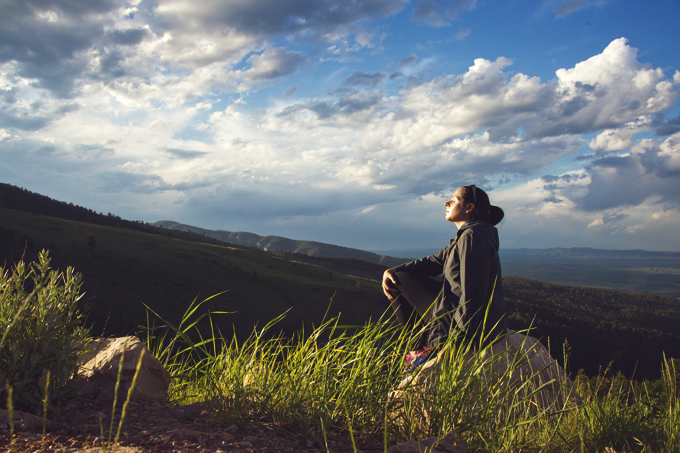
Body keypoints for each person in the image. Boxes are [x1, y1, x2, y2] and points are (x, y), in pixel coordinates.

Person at [382, 185, 507, 367]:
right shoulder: (468, 236)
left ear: (469, 207)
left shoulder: (472, 237)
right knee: (398, 277)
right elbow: (433, 262)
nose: (446, 202)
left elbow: (472, 294)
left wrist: (455, 342)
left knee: (399, 280)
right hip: (455, 312)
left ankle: (420, 353)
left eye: (454, 199)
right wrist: (391, 271)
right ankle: (420, 351)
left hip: (468, 327)